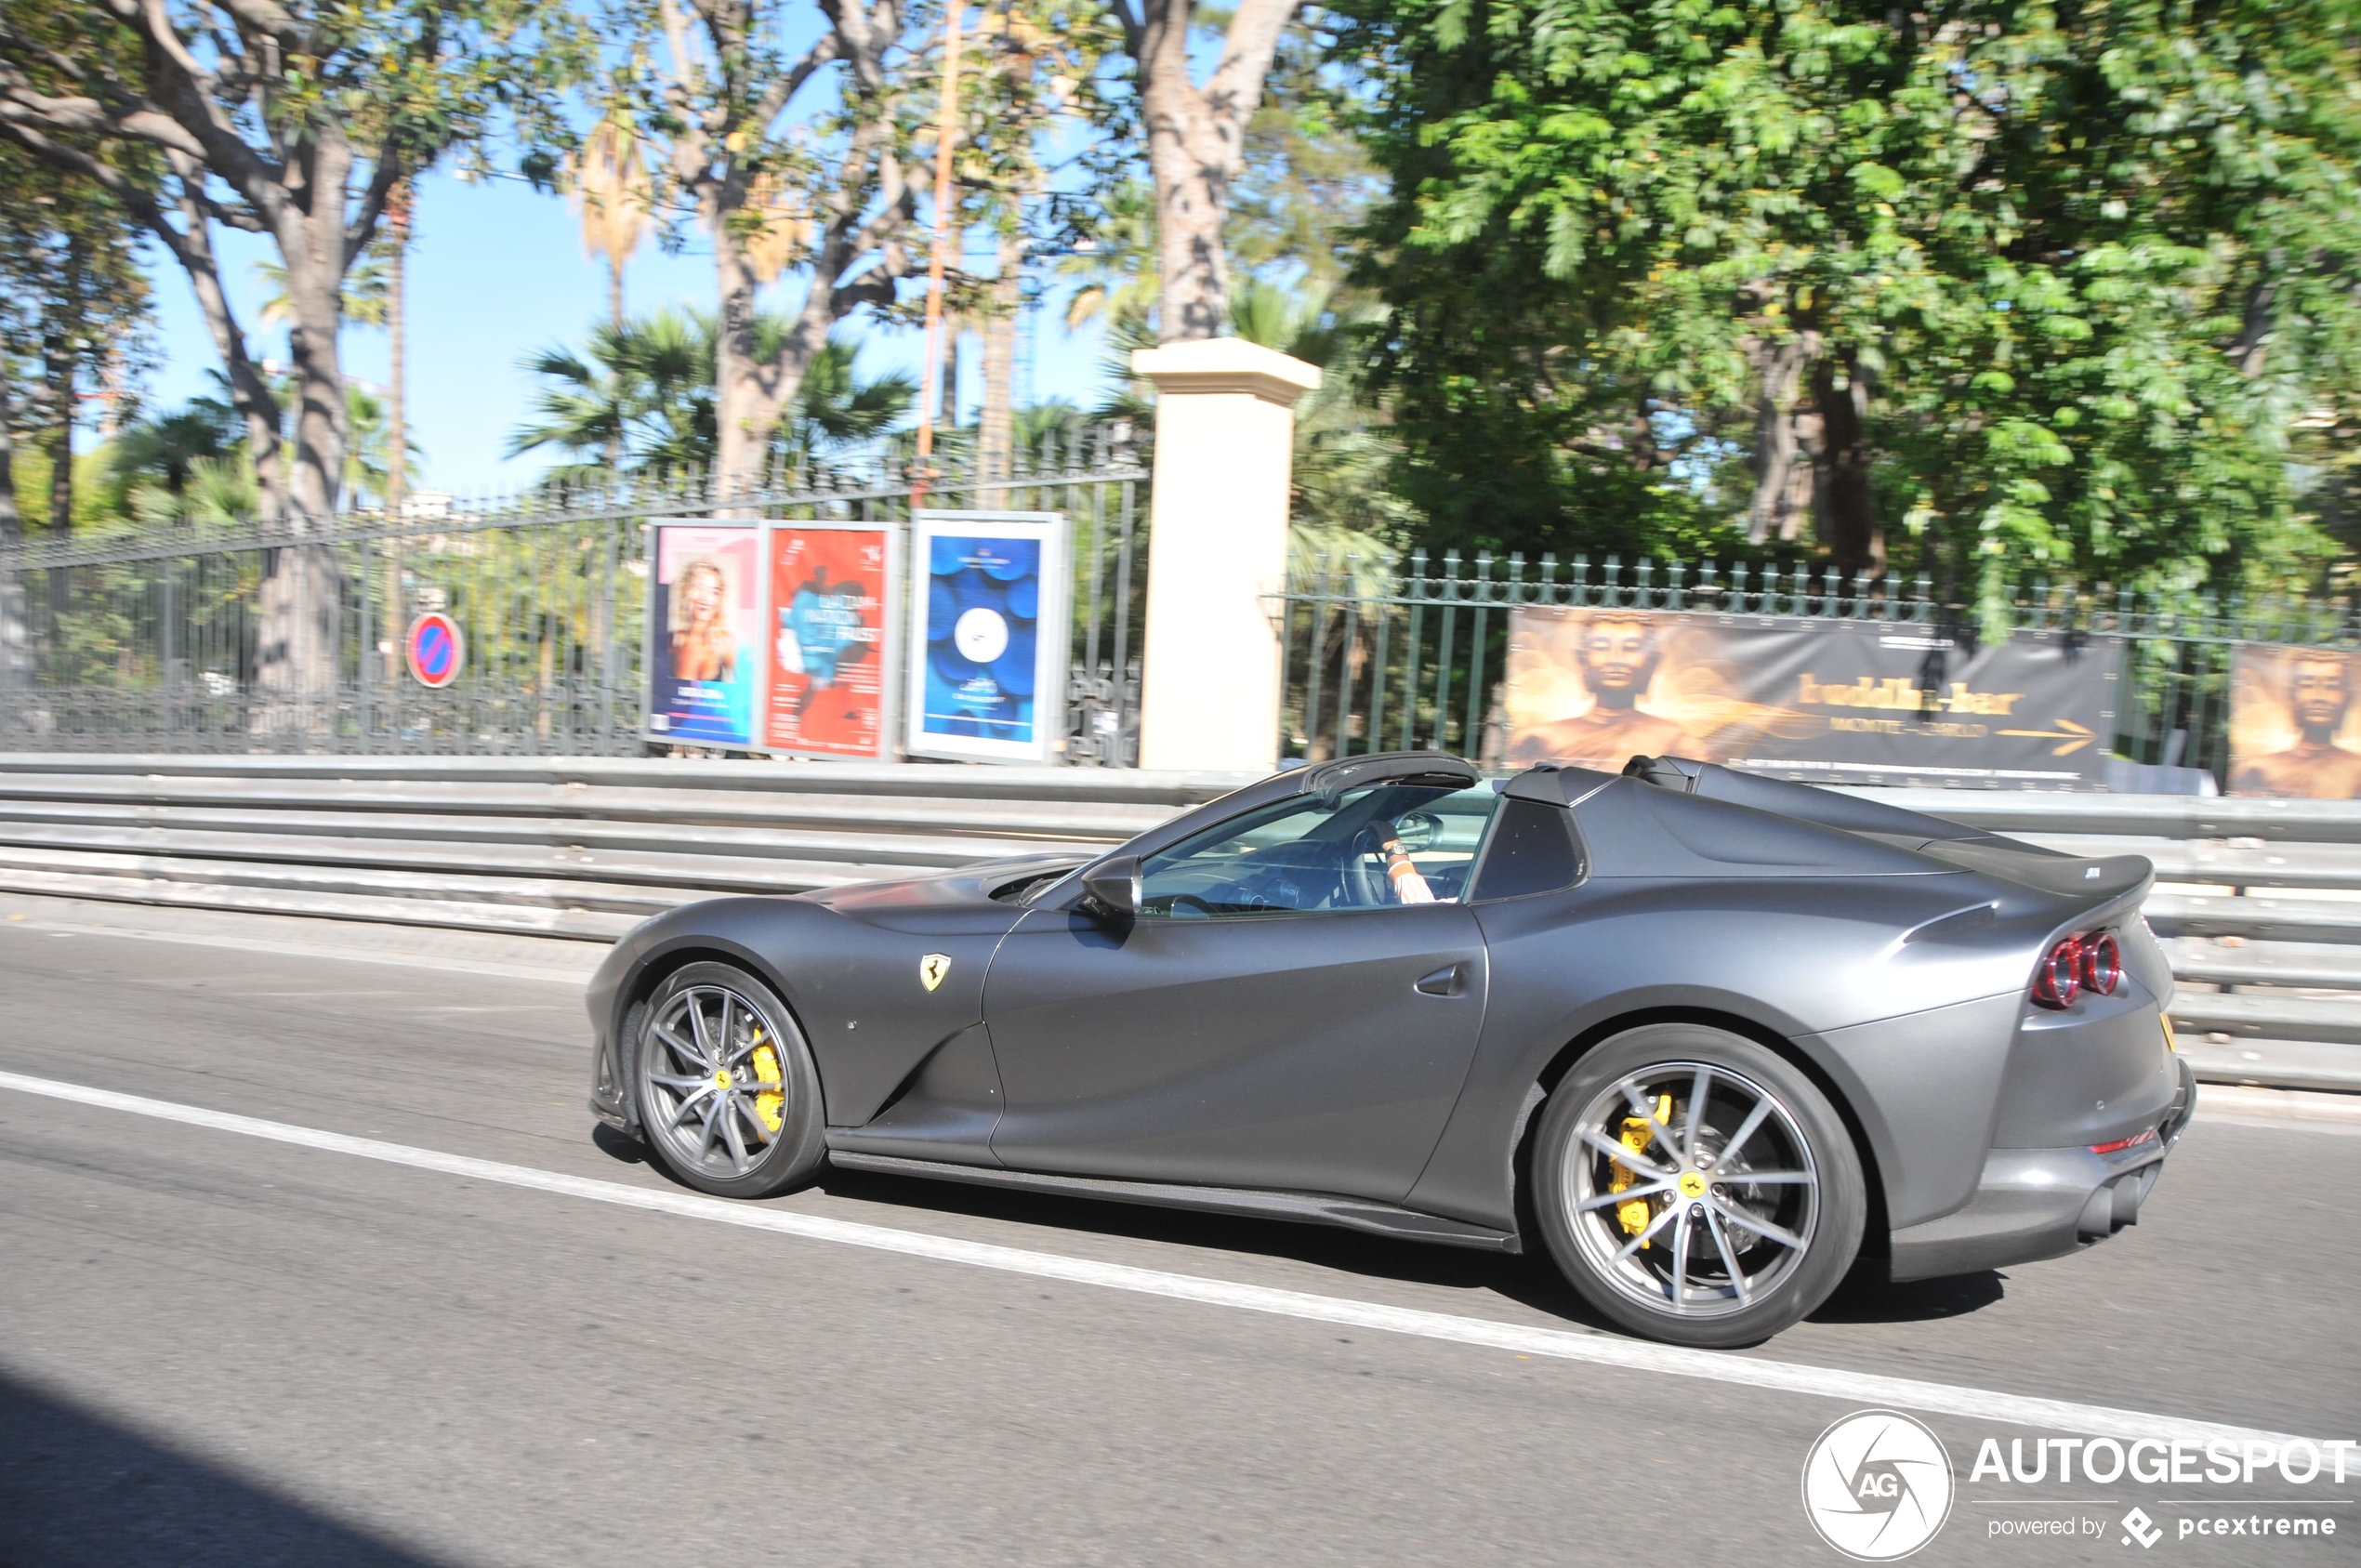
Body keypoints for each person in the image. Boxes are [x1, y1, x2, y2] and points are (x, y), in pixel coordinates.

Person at [1509, 615, 1702, 770]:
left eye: (1631, 648)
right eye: (1601, 647)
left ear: (1652, 663)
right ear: (1583, 661)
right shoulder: (1540, 736)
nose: (1615, 659)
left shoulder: (1675, 738)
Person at [2232, 654, 2361, 798]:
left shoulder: (2357, 770)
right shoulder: (2259, 768)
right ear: (2291, 696)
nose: (2319, 697)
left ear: (2347, 698)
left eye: (2332, 686)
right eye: (2307, 685)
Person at [669, 558, 736, 683]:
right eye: (699, 587)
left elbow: (747, 688)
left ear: (719, 599)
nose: (705, 597)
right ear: (686, 592)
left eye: (714, 592)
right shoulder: (673, 641)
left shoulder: (725, 643)